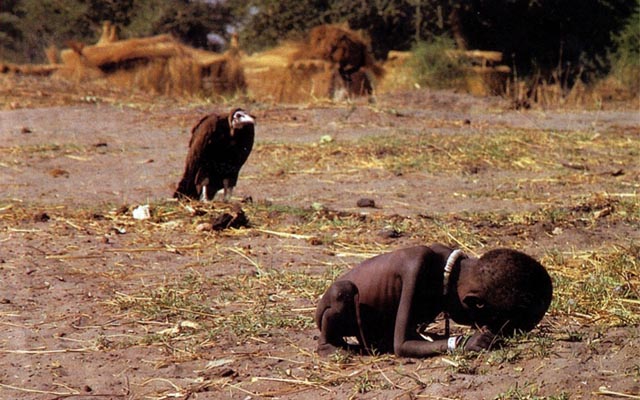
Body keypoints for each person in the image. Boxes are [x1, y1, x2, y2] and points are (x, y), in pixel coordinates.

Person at [315, 244, 553, 357]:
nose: (479, 329)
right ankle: (328, 343)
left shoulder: (455, 272)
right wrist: (457, 343)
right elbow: (402, 346)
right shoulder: (419, 266)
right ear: (473, 303)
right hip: (342, 310)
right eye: (480, 323)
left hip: (379, 324)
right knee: (341, 295)